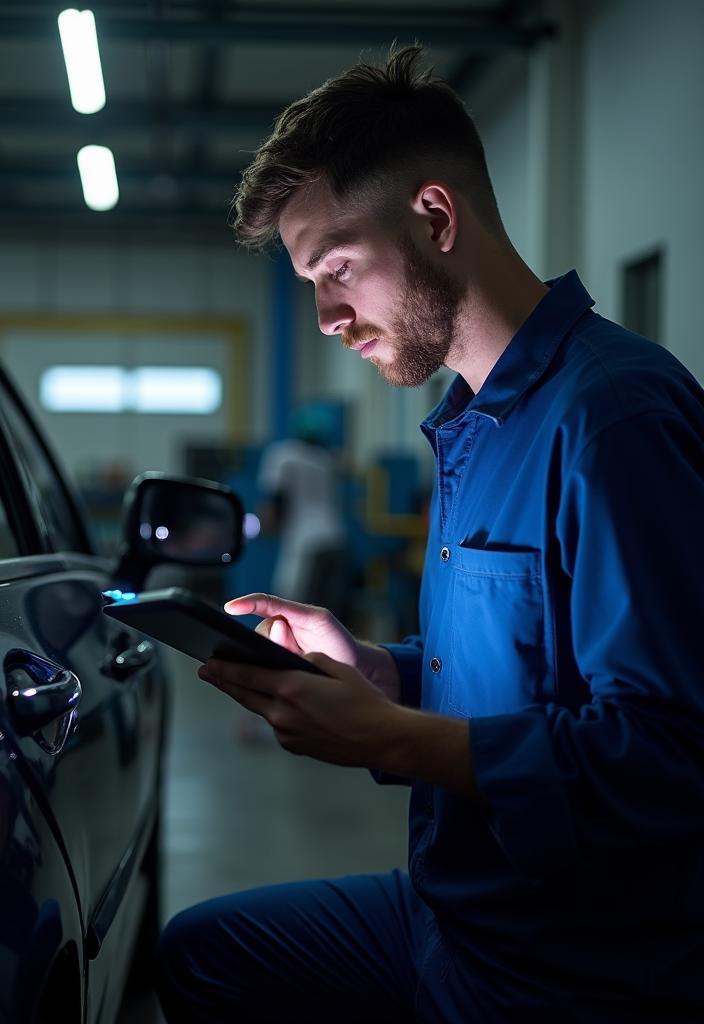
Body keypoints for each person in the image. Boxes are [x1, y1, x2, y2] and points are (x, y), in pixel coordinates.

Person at [155, 45, 704, 1023]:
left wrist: (400, 740)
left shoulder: (613, 419)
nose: (325, 316)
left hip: (566, 960)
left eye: (337, 270)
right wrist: (381, 672)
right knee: (203, 953)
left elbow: (666, 754)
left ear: (435, 217)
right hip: (452, 911)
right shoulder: (465, 422)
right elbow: (532, 667)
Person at [257, 410, 348, 616]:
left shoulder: (282, 454)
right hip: (336, 539)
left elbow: (275, 500)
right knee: (328, 613)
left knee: (294, 609)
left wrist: (266, 524)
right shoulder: (326, 460)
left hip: (305, 543)